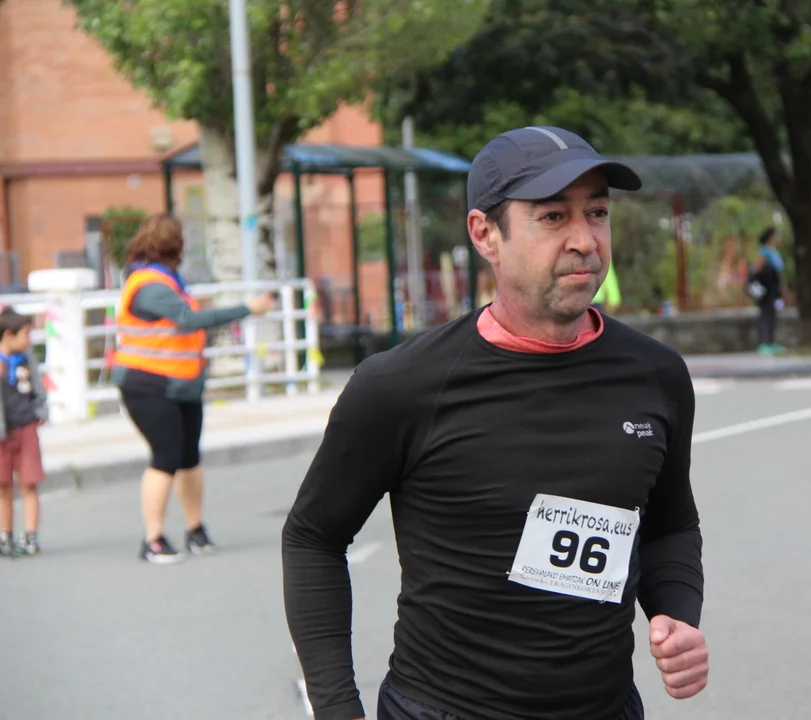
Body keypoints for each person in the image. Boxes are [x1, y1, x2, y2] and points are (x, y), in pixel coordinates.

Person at [283, 126, 707, 720]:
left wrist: (677, 614)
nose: (585, 240)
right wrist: (337, 708)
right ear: (486, 234)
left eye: (597, 212)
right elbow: (313, 537)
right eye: (553, 217)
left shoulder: (655, 375)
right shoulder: (402, 385)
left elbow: (670, 526)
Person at [114, 213, 274, 564]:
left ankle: (195, 529)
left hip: (181, 383)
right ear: (176, 246)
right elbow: (188, 320)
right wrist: (247, 309)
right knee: (166, 456)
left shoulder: (168, 281)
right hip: (149, 384)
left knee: (189, 458)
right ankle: (153, 539)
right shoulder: (151, 285)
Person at [0, 308, 48, 557]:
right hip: (2, 434)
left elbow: (38, 388)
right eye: (26, 334)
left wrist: (40, 410)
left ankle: (31, 536)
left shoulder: (26, 360)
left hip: (26, 428)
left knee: (29, 483)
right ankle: (5, 535)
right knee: (3, 486)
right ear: (9, 335)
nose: (29, 340)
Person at [747, 226, 785, 354]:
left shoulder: (775, 251)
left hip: (774, 287)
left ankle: (771, 342)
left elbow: (779, 272)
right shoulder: (764, 252)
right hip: (765, 288)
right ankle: (763, 343)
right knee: (765, 314)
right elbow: (756, 269)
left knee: (772, 315)